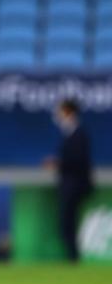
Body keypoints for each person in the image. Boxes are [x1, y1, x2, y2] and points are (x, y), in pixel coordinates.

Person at [50, 99, 93, 262]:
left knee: (70, 220)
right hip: (69, 184)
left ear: (68, 112)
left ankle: (73, 257)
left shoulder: (79, 133)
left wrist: (59, 163)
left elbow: (79, 159)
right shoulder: (68, 132)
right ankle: (72, 256)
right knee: (67, 221)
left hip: (75, 185)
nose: (57, 115)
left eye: (60, 111)